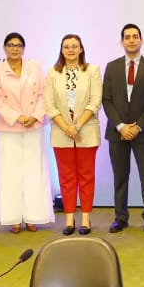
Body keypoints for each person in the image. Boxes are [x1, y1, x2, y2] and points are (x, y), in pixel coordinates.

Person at [0, 32, 53, 233]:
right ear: (4, 48)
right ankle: (13, 218)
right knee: (10, 174)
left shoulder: (34, 67)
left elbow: (44, 94)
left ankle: (34, 216)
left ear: (24, 48)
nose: (14, 48)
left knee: (34, 172)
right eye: (10, 45)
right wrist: (17, 117)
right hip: (8, 127)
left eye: (18, 45)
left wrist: (35, 116)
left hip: (32, 126)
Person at [101, 23, 144, 233]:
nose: (132, 40)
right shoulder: (111, 67)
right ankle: (120, 217)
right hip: (117, 133)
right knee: (120, 178)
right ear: (122, 42)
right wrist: (120, 126)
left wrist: (139, 126)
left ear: (141, 40)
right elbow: (106, 100)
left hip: (143, 133)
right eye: (127, 37)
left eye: (135, 36)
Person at [46, 34, 102, 235]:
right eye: (66, 46)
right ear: (62, 50)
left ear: (81, 49)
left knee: (86, 177)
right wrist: (67, 127)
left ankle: (85, 219)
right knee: (67, 178)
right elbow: (49, 105)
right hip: (61, 133)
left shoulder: (92, 70)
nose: (70, 49)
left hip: (86, 132)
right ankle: (69, 220)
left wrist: (76, 126)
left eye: (74, 46)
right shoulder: (53, 72)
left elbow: (95, 102)